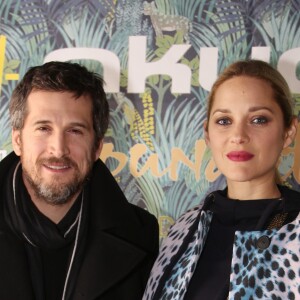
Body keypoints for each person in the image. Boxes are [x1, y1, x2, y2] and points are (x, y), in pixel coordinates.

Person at [0, 61, 159, 300]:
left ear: (96, 147)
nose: (58, 149)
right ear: (18, 140)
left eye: (75, 131)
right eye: (44, 128)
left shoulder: (140, 235)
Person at [143, 59, 300, 300]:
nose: (238, 136)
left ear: (288, 131)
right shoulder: (186, 227)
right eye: (224, 121)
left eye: (258, 119)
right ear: (207, 133)